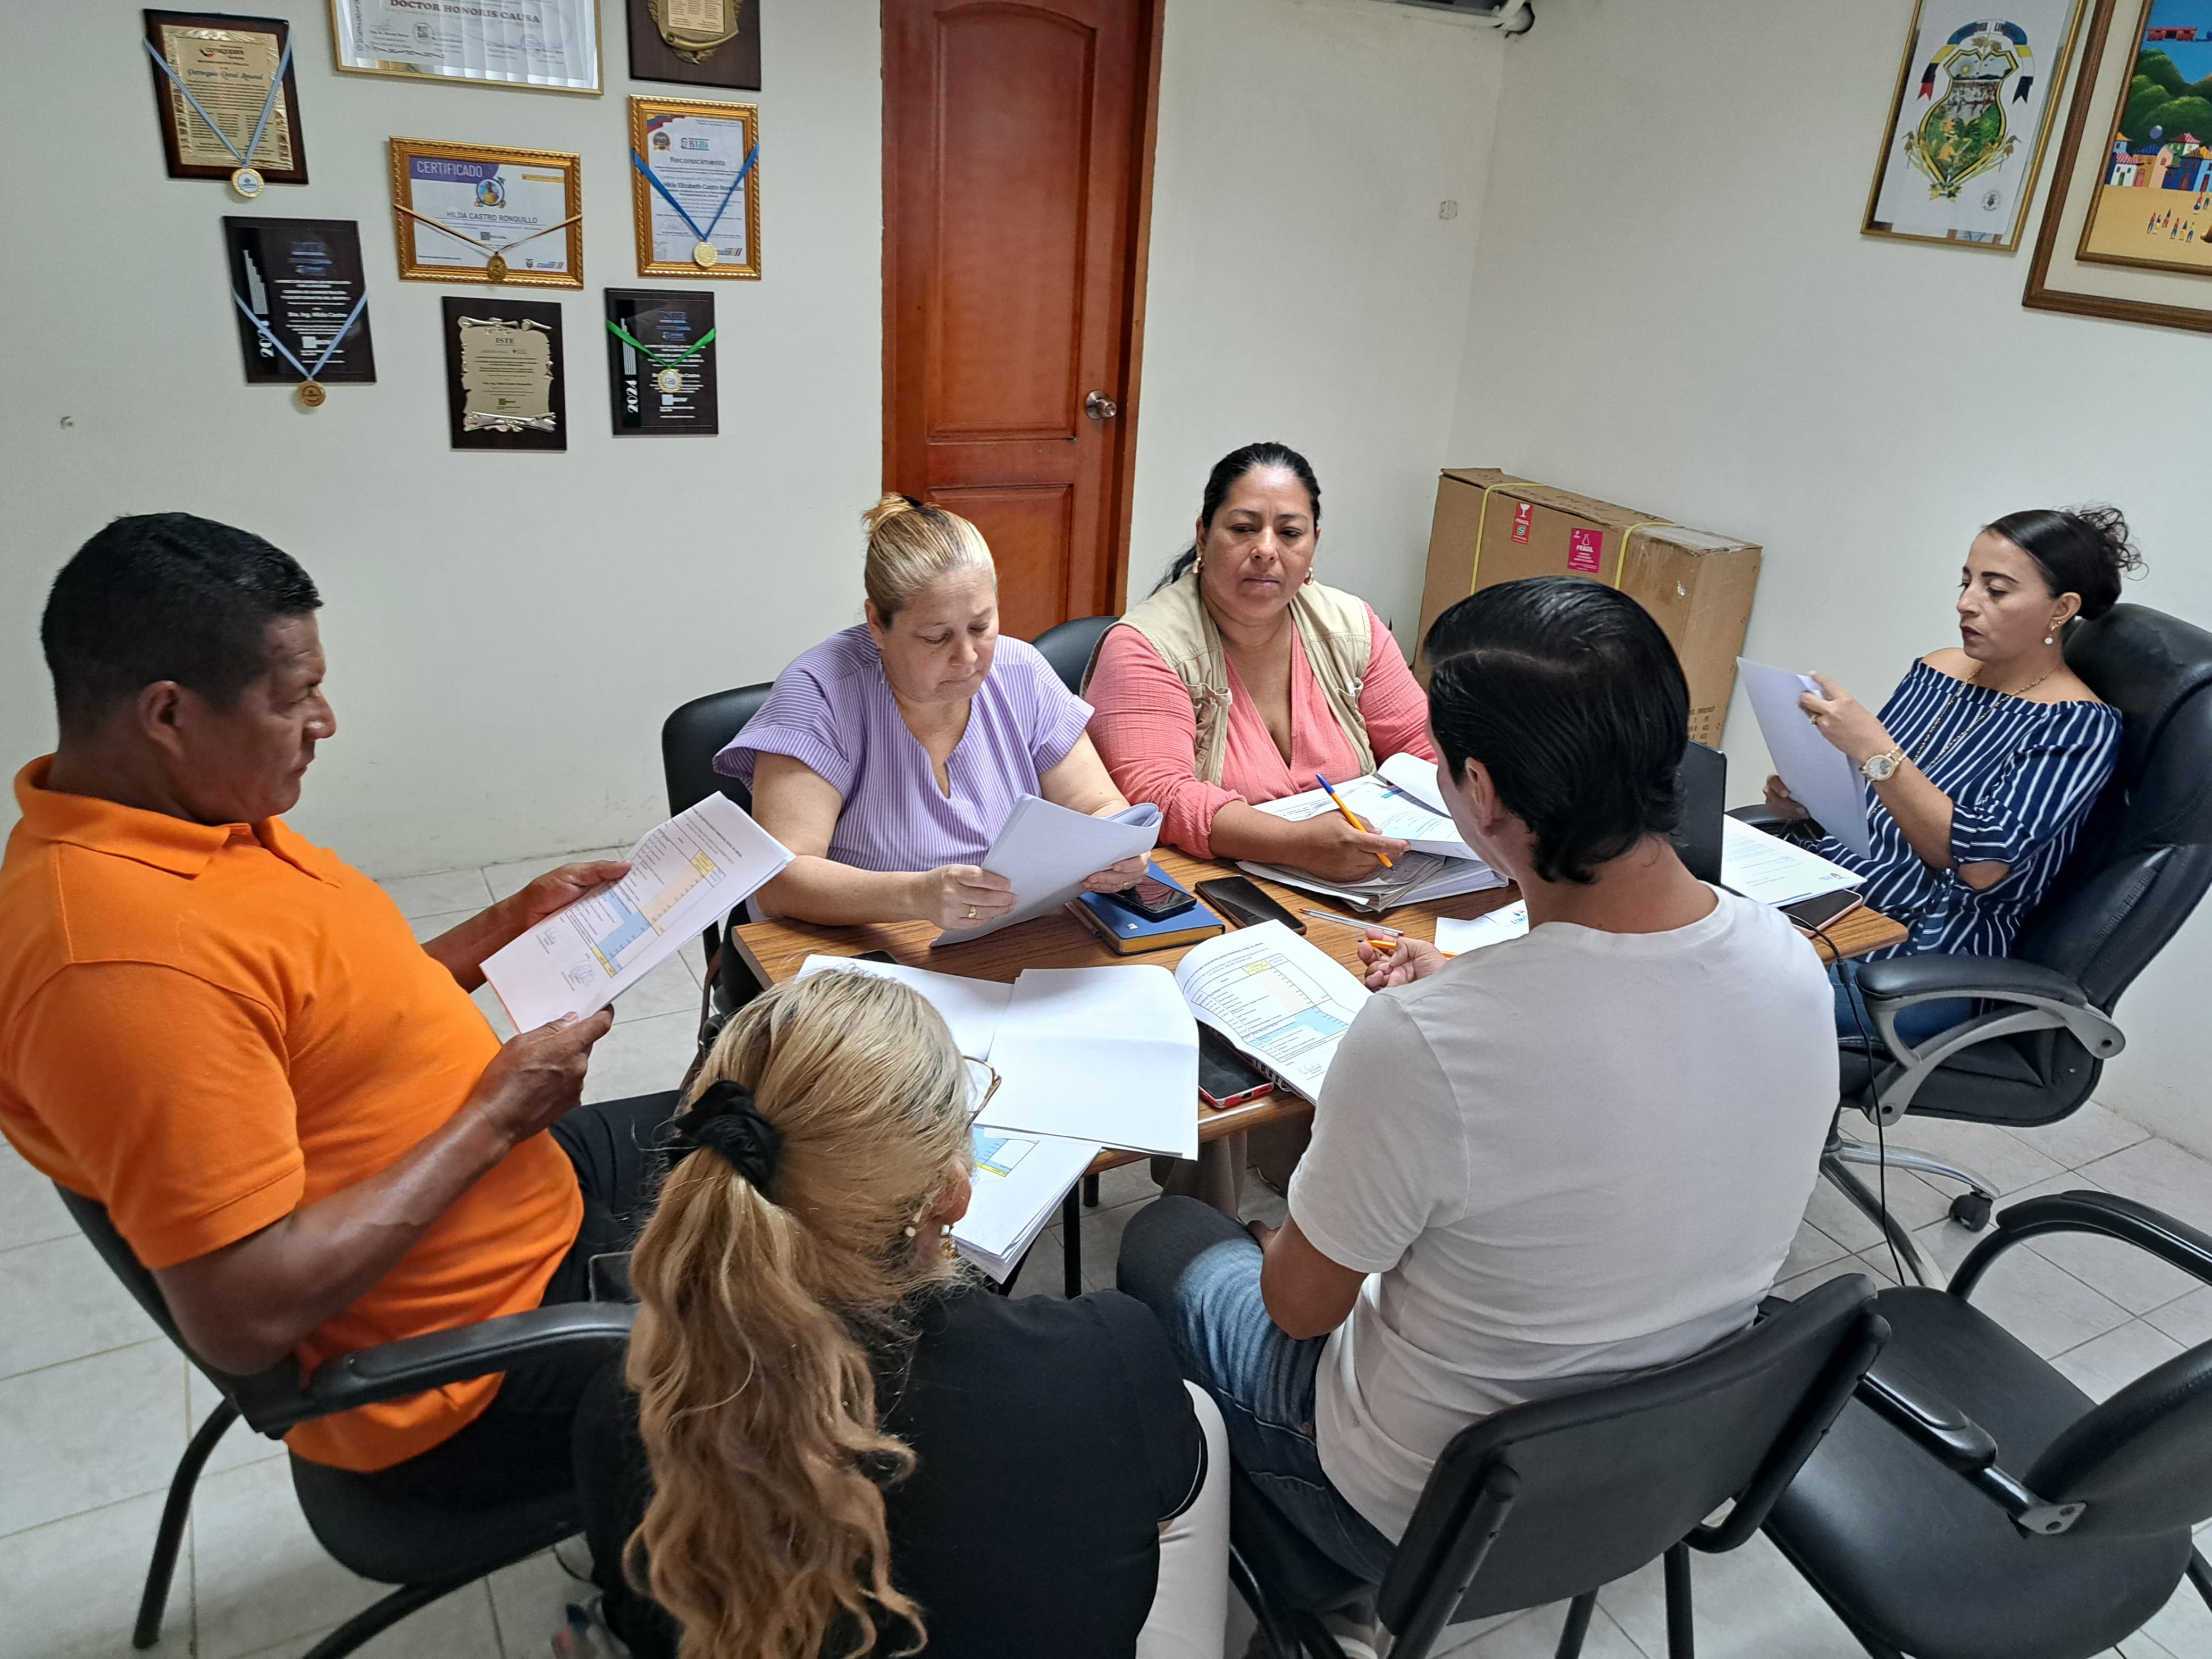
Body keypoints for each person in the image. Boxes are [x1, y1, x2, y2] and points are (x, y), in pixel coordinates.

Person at [1117, 577, 1837, 1620]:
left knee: (1172, 1239)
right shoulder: (1791, 959)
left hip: (1418, 1507)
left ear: (1483, 792)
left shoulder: (1424, 1046)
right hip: (1660, 1468)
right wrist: (1470, 988)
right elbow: (1621, 1049)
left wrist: (1288, 1238)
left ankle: (1300, 1578)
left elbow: (1298, 1310)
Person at [0, 514, 671, 1497]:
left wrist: (507, 924)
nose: (325, 722)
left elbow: (332, 1020)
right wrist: (496, 1117)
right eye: (294, 698)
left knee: (772, 1118)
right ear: (168, 716)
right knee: (834, 1336)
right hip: (473, 1365)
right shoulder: (121, 967)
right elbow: (244, 1316)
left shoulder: (204, 824)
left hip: (525, 1204)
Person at [574, 969, 1229, 1659]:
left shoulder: (629, 1414)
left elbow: (638, 1616)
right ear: (950, 1195)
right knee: (1197, 1420)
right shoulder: (1106, 1360)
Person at [1766, 508, 2132, 1043]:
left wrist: (1872, 748)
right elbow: (1877, 794)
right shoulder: (1939, 669)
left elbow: (1980, 865)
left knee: (1725, 984)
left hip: (1920, 957)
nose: (1966, 603)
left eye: (1996, 590)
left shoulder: (2076, 725)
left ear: (2061, 609)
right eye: (1966, 582)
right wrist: (1811, 796)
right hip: (1827, 897)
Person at [718, 496, 1142, 929]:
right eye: (936, 638)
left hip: (1005, 934)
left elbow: (1097, 804)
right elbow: (781, 882)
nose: (968, 657)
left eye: (981, 627)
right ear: (877, 624)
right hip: (861, 944)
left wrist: (1120, 848)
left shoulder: (1023, 672)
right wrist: (916, 896)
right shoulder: (820, 694)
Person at [1085, 443, 1435, 881]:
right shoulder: (1143, 646)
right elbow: (1158, 797)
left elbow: (1424, 752)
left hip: (1364, 879)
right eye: (1243, 529)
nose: (1266, 550)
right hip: (1206, 883)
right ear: (1203, 536)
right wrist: (1295, 844)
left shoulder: (1353, 627)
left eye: (1289, 533)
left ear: (1314, 545)